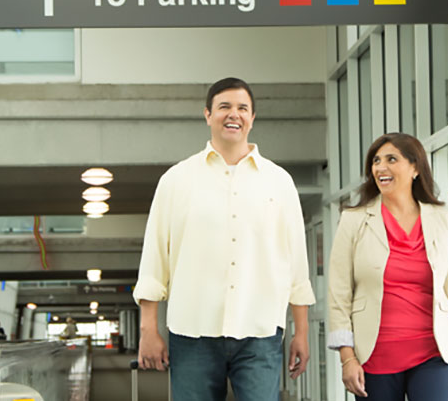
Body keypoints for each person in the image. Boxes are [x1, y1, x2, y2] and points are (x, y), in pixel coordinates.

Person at [134, 77, 316, 401]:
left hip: (259, 333)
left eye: (243, 108)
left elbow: (296, 264)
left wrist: (301, 331)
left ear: (252, 118)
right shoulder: (176, 180)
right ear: (207, 115)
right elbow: (153, 262)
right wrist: (149, 329)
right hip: (192, 333)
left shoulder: (279, 182)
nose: (234, 114)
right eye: (224, 107)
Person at [327, 133, 448, 401]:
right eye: (376, 161)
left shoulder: (442, 220)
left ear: (415, 168)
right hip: (374, 355)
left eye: (391, 159)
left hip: (435, 353)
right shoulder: (354, 220)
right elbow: (339, 293)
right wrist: (346, 358)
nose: (380, 167)